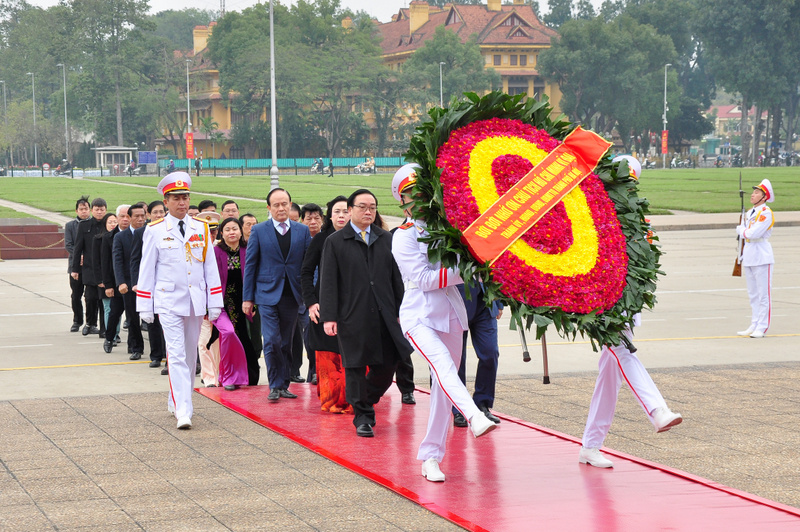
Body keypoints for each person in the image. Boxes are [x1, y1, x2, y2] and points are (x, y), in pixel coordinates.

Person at [390, 164, 497, 482]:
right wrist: (469, 271)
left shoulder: (450, 227)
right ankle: (474, 415)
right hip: (418, 316)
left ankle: (431, 457)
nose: (419, 200)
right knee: (444, 367)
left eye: (423, 192)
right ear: (402, 202)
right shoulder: (403, 237)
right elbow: (423, 279)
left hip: (452, 314)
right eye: (411, 195)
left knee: (441, 386)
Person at [320, 189, 413, 437]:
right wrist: (330, 316)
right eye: (362, 207)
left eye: (372, 207)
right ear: (350, 210)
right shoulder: (335, 242)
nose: (368, 211)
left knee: (388, 365)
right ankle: (363, 417)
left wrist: (402, 309)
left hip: (385, 314)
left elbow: (397, 279)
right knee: (355, 368)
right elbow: (328, 282)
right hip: (352, 315)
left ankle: (364, 399)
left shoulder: (386, 239)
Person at [137, 172, 223, 429]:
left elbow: (209, 267)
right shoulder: (154, 231)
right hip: (168, 301)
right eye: (176, 198)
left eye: (185, 197)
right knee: (175, 355)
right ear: (166, 201)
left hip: (195, 301)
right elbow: (147, 269)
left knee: (189, 357)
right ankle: (184, 409)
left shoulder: (201, 228)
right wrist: (145, 305)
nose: (182, 203)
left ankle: (176, 400)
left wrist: (214, 301)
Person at [579, 315, 683, 468]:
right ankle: (657, 410)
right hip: (603, 310)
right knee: (624, 352)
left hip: (623, 311)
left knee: (609, 377)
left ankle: (591, 444)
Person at [243, 188, 311, 401]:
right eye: (276, 205)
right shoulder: (259, 231)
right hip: (266, 294)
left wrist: (310, 295)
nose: (281, 208)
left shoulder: (302, 231)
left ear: (290, 205)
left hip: (292, 294)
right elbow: (251, 265)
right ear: (269, 208)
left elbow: (308, 265)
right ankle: (274, 384)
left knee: (286, 343)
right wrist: (248, 298)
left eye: (285, 204)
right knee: (271, 340)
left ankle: (284, 383)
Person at [302, 196, 352, 413]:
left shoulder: (361, 236)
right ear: (329, 216)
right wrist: (311, 303)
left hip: (352, 306)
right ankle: (332, 401)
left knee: (351, 355)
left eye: (345, 211)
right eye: (337, 212)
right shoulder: (321, 239)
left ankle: (353, 399)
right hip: (325, 305)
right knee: (328, 356)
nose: (341, 216)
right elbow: (305, 272)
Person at [451, 281, 503, 427]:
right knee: (458, 358)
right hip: (458, 299)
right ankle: (459, 408)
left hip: (485, 300)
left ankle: (482, 403)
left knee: (490, 352)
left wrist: (498, 301)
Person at [213, 217, 253, 390]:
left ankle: (248, 376)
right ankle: (228, 377)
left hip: (245, 302)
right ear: (222, 233)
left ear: (240, 231)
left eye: (235, 228)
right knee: (228, 334)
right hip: (221, 303)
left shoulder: (248, 249)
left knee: (247, 340)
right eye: (227, 229)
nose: (231, 232)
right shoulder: (216, 252)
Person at [736, 179, 775, 338]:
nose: (752, 195)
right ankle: (754, 323)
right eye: (753, 192)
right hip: (750, 254)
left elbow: (753, 233)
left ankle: (762, 326)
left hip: (762, 255)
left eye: (757, 193)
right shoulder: (750, 212)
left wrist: (741, 230)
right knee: (753, 294)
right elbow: (747, 234)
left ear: (764, 197)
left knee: (763, 294)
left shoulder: (765, 212)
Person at [131, 200, 167, 370]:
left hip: (167, 285)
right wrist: (137, 282)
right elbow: (136, 259)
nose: (159, 215)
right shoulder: (142, 232)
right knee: (152, 323)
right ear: (148, 215)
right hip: (150, 283)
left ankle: (169, 356)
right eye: (155, 212)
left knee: (168, 322)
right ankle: (156, 355)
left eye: (161, 212)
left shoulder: (170, 230)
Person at [114, 203, 146, 360]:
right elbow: (117, 261)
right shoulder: (120, 237)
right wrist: (121, 282)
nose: (140, 219)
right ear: (129, 218)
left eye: (142, 216)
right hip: (129, 283)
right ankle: (136, 347)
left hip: (148, 282)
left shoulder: (150, 233)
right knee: (133, 317)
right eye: (136, 216)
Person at [71, 198, 107, 337]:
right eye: (96, 209)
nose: (99, 212)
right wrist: (75, 269)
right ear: (92, 210)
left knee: (104, 301)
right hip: (89, 269)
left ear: (105, 210)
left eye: (102, 209)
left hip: (105, 270)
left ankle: (105, 329)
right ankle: (91, 324)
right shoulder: (84, 226)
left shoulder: (109, 224)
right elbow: (77, 249)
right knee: (90, 298)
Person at [195, 212, 223, 387]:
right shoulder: (194, 248)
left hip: (219, 303)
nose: (211, 234)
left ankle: (218, 375)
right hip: (201, 304)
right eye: (207, 230)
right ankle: (209, 377)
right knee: (203, 342)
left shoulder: (222, 248)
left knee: (217, 344)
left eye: (213, 230)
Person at [66, 196, 91, 332]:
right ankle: (77, 320)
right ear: (76, 210)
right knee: (76, 294)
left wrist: (87, 256)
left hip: (90, 265)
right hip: (75, 266)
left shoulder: (93, 224)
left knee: (90, 296)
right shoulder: (70, 226)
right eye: (81, 209)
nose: (83, 212)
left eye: (86, 209)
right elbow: (68, 244)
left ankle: (90, 322)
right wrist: (79, 256)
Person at [99, 212, 123, 353]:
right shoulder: (108, 237)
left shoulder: (138, 235)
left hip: (133, 282)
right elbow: (105, 263)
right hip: (115, 282)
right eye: (122, 216)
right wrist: (108, 284)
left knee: (133, 317)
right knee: (113, 313)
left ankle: (135, 346)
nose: (125, 219)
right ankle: (109, 338)